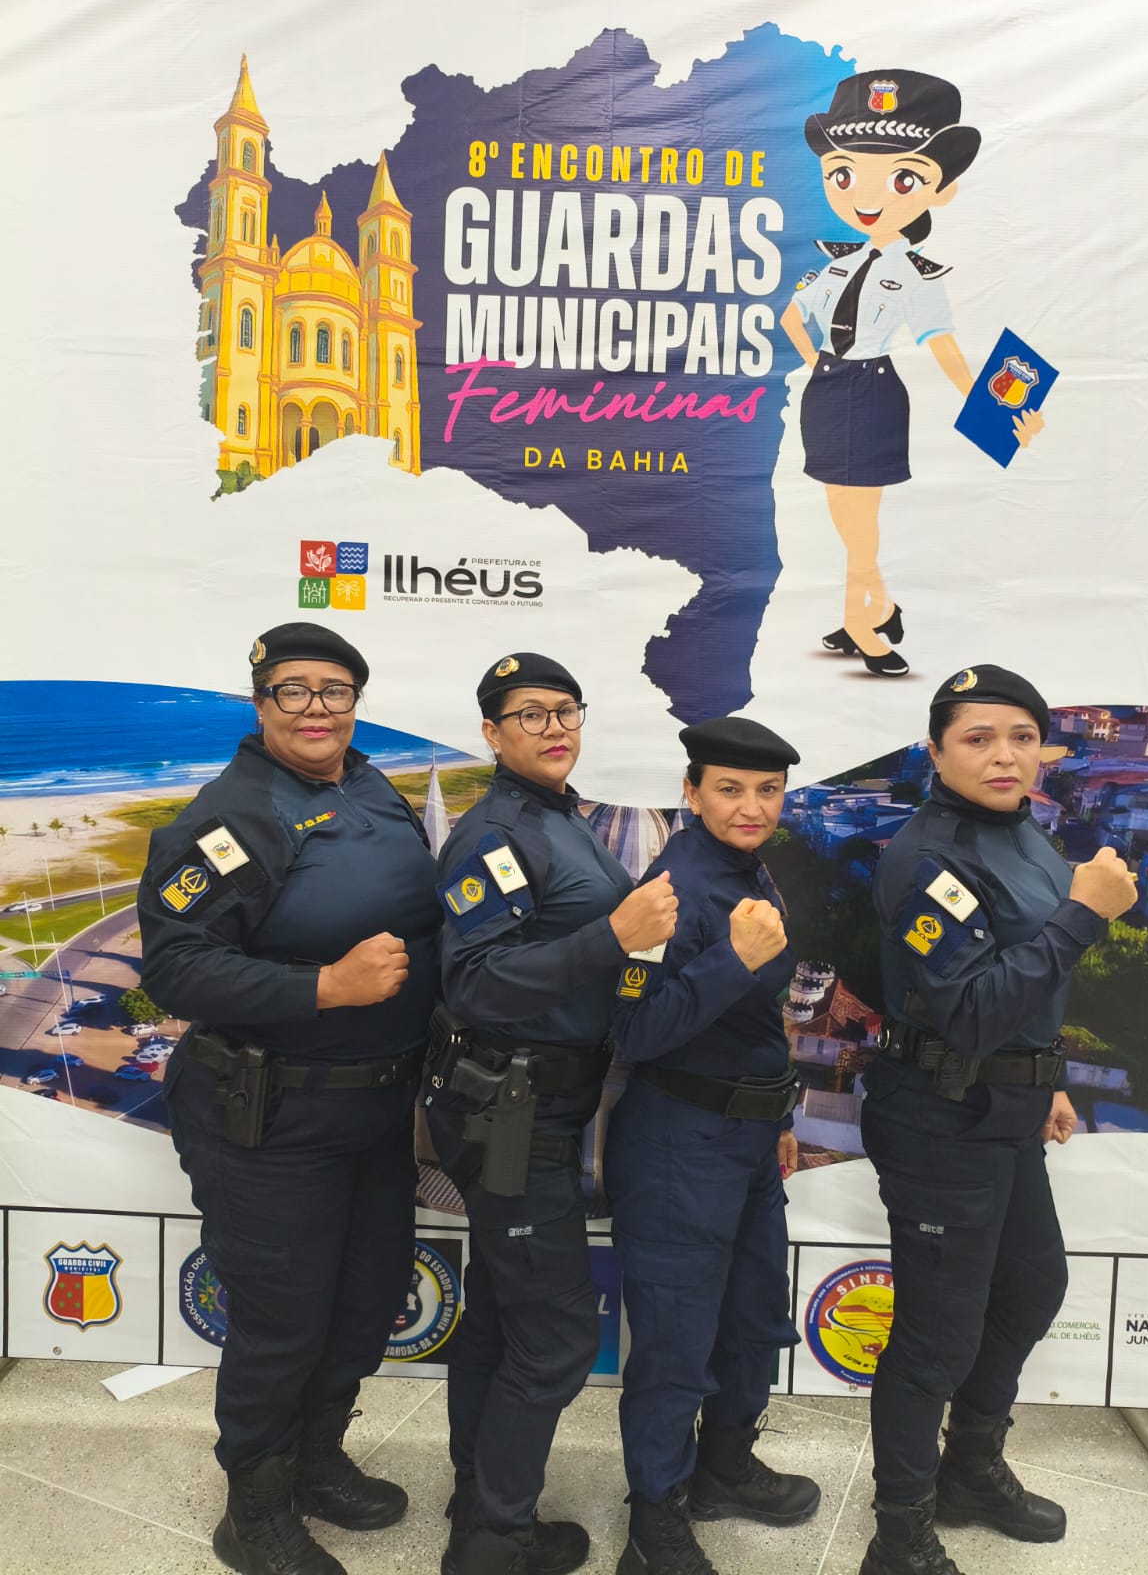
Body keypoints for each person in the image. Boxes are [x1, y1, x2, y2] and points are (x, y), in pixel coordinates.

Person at [137, 622, 442, 1575]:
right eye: (294, 690)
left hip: (375, 1111)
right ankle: (255, 1510)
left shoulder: (368, 786)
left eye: (335, 690)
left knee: (363, 1303)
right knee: (283, 1323)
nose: (317, 708)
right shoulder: (230, 819)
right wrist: (325, 988)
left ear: (356, 701)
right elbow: (175, 968)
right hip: (269, 1115)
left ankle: (316, 1462)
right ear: (260, 700)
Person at [859, 665, 1138, 1575]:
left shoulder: (1022, 831)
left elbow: (1025, 983)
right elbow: (971, 1010)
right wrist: (1085, 913)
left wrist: (1045, 1073)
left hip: (1006, 1107)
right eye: (977, 738)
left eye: (1021, 737)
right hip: (939, 1118)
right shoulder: (926, 858)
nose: (1004, 755)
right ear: (936, 752)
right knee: (934, 1339)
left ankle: (970, 1472)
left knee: (1031, 1289)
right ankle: (899, 1535)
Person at [423, 652, 678, 1575]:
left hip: (542, 1103)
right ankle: (493, 1541)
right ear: (491, 733)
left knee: (500, 1312)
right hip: (510, 1110)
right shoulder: (494, 835)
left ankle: (477, 1496)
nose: (554, 727)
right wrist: (614, 936)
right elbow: (477, 984)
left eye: (566, 709)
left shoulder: (558, 816)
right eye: (529, 714)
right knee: (560, 1336)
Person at [605, 716, 821, 1575]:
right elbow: (635, 1029)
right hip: (678, 1143)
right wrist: (731, 959)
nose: (751, 807)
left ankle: (723, 1469)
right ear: (690, 793)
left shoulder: (749, 868)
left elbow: (755, 1025)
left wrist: (777, 1119)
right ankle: (653, 1520)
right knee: (675, 1344)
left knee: (751, 1319)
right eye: (729, 789)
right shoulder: (667, 890)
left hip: (746, 1137)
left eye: (768, 791)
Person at [780, 71, 1043, 677]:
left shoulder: (916, 275)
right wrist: (817, 362)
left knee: (859, 517)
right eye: (843, 174)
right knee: (841, 511)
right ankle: (880, 607)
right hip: (828, 390)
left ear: (940, 191)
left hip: (872, 392)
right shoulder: (835, 264)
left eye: (903, 179)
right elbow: (794, 317)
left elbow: (940, 345)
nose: (865, 195)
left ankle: (861, 624)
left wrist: (997, 408)